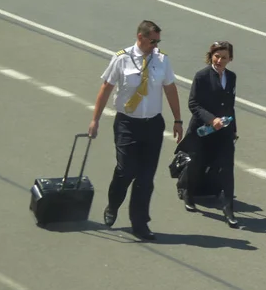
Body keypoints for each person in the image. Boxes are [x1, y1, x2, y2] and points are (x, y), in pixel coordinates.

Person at [88, 20, 183, 240]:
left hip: (153, 125)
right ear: (140, 37)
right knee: (126, 170)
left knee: (146, 178)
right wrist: (95, 120)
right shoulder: (122, 58)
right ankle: (113, 204)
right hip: (127, 124)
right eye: (153, 40)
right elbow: (106, 88)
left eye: (158, 41)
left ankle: (140, 224)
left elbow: (170, 89)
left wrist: (177, 120)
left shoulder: (162, 60)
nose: (156, 45)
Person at [175, 41, 239, 228]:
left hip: (224, 131)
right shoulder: (202, 76)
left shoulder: (232, 77)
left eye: (224, 57)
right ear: (211, 56)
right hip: (203, 129)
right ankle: (188, 193)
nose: (219, 60)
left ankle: (228, 208)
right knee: (196, 163)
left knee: (227, 168)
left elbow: (229, 105)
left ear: (230, 59)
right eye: (216, 56)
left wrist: (233, 128)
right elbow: (194, 104)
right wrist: (212, 120)